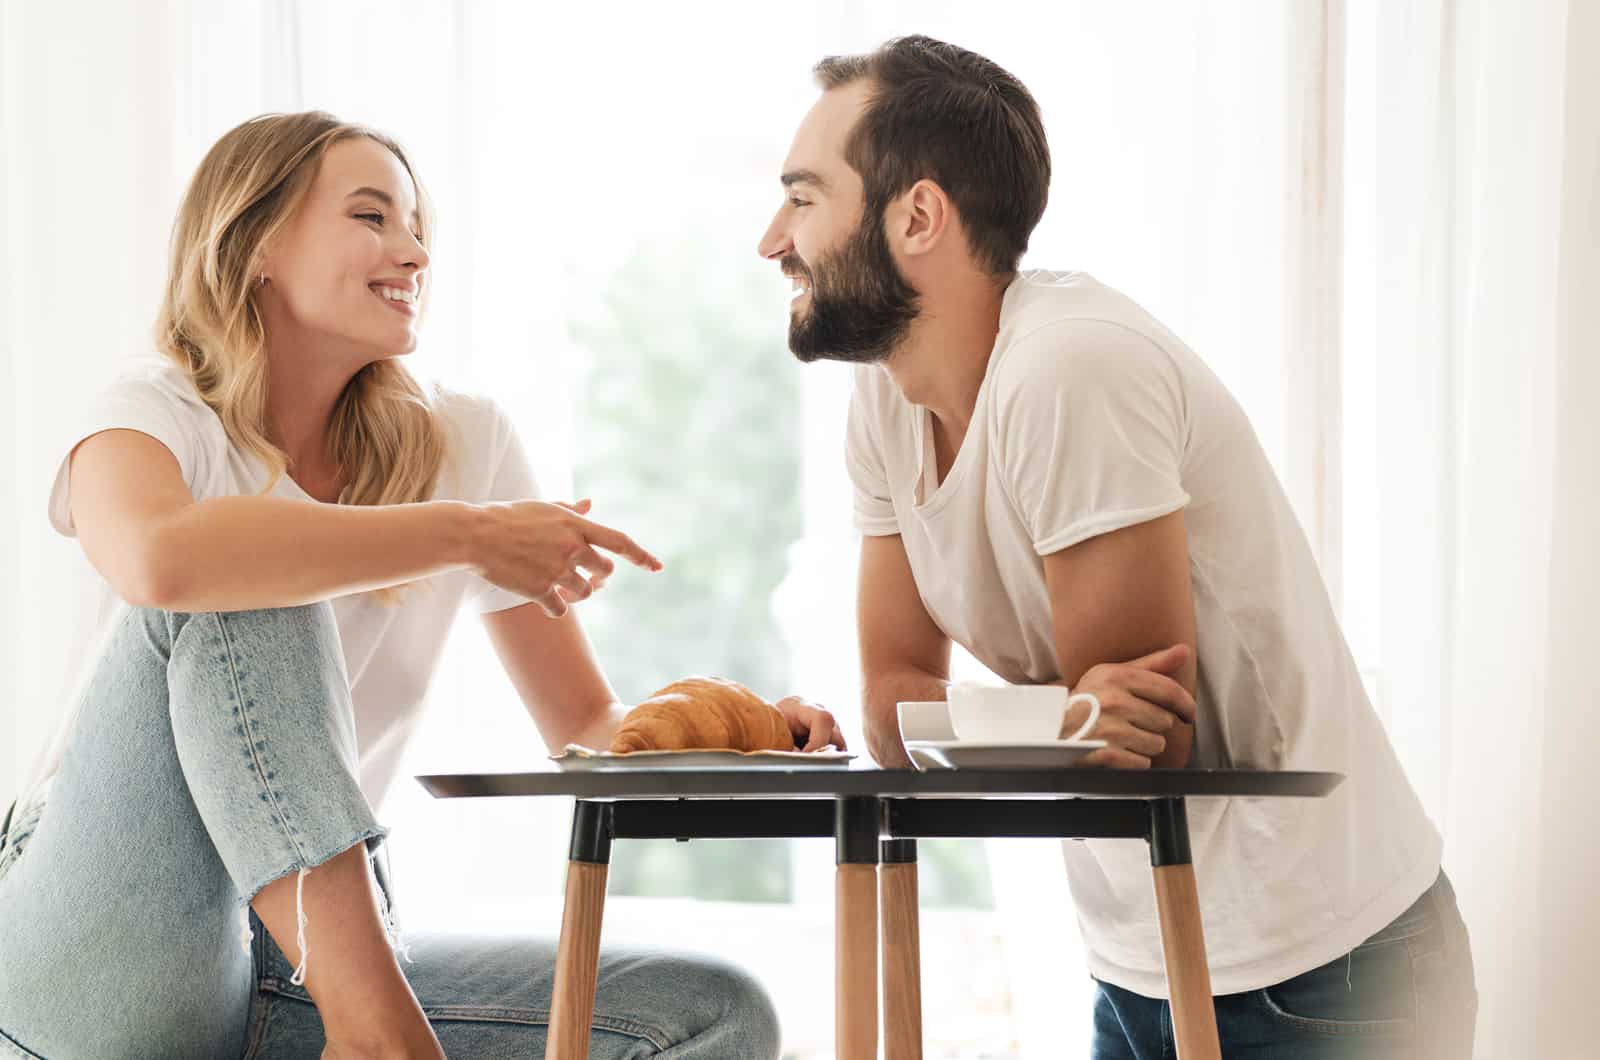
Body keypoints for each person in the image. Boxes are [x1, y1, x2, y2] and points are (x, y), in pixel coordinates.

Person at [0, 111, 837, 1059]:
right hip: (101, 938)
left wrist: (742, 726)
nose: (412, 251)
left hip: (307, 960)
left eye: (417, 228)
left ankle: (371, 1030)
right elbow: (161, 559)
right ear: (255, 241)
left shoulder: (464, 442)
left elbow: (587, 727)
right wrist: (468, 536)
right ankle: (380, 1040)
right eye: (371, 217)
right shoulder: (152, 409)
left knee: (715, 1014)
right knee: (251, 583)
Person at [758, 35, 1478, 1059]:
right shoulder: (885, 399)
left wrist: (1001, 717)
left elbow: (1142, 748)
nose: (771, 239)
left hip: (1323, 970)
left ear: (916, 215)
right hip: (1142, 957)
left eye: (803, 198)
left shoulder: (1069, 368)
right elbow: (892, 702)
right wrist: (1051, 712)